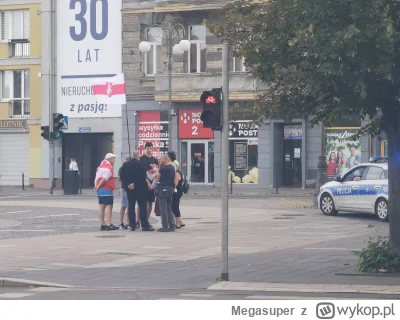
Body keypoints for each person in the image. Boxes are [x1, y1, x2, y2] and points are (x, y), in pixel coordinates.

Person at [120, 150, 154, 232]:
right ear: (138, 156)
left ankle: (132, 225)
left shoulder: (125, 164)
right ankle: (144, 225)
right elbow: (143, 178)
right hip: (140, 189)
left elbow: (122, 177)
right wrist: (135, 184)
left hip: (129, 189)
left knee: (131, 206)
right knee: (142, 206)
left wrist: (128, 185)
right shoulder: (141, 165)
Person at [137, 142, 159, 228]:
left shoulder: (154, 160)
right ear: (145, 149)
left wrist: (153, 183)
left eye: (151, 148)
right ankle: (138, 220)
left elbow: (157, 171)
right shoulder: (141, 159)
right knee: (141, 203)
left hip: (152, 184)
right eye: (148, 148)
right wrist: (148, 182)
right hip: (143, 183)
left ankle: (146, 220)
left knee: (150, 202)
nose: (149, 150)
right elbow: (141, 173)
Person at [94, 153, 117, 231]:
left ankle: (102, 224)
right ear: (109, 159)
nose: (114, 160)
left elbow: (97, 178)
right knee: (109, 207)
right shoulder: (108, 167)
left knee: (101, 206)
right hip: (106, 189)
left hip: (100, 190)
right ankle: (109, 224)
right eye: (113, 158)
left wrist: (96, 186)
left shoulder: (100, 166)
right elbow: (104, 179)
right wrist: (98, 186)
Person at [156, 154, 176, 232]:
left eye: (160, 159)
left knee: (163, 208)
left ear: (165, 160)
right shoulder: (172, 167)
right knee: (169, 208)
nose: (159, 161)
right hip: (170, 188)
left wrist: (157, 182)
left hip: (163, 188)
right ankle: (172, 225)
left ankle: (165, 226)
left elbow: (158, 177)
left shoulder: (163, 168)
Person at [118, 156, 131, 230]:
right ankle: (128, 222)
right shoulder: (130, 168)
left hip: (123, 187)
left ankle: (121, 222)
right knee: (129, 206)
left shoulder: (121, 168)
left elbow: (119, 178)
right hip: (128, 188)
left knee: (123, 205)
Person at [171, 160, 185, 228]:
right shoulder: (176, 172)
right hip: (177, 191)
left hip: (176, 192)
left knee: (175, 207)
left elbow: (175, 183)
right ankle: (180, 222)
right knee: (174, 206)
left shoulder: (176, 173)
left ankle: (177, 223)